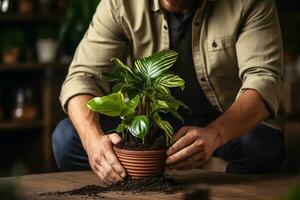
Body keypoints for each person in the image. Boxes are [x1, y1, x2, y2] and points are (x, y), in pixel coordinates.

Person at [52, 0, 285, 185]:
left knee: (261, 147)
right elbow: (83, 77)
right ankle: (183, 169)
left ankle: (151, 170)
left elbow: (264, 78)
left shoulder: (250, 2)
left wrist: (216, 135)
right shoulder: (118, 3)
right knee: (67, 139)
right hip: (149, 125)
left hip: (218, 121)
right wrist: (93, 141)